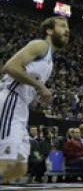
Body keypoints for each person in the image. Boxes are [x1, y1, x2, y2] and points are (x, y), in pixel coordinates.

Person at [0, 16, 69, 184]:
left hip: (21, 106)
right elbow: (9, 67)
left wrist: (38, 94)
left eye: (67, 27)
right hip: (11, 99)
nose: (67, 30)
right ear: (49, 30)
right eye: (62, 26)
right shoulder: (41, 45)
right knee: (6, 162)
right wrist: (40, 86)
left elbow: (29, 82)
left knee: (19, 168)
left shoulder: (50, 60)